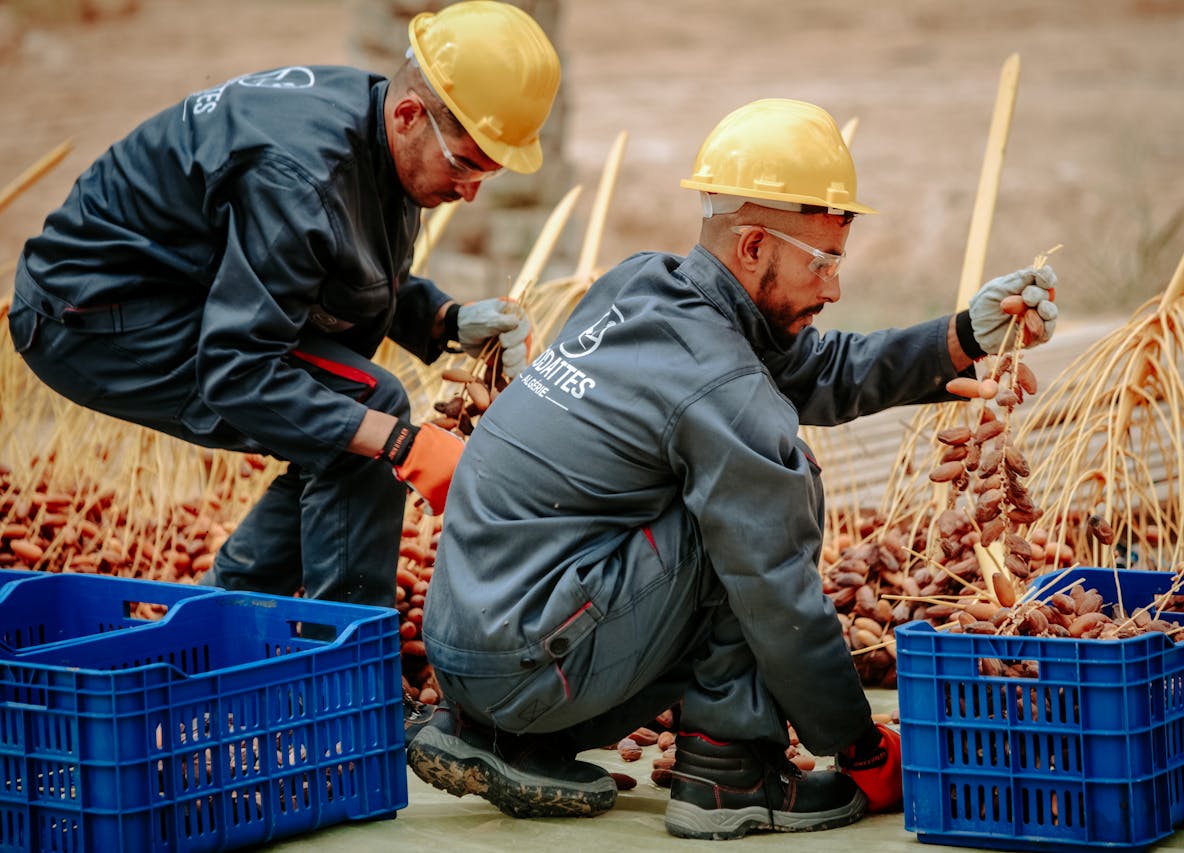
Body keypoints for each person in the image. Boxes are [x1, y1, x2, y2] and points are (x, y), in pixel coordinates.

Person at [405, 96, 1060, 838]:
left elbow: (813, 368)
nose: (835, 288)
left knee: (740, 493)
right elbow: (774, 582)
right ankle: (728, 776)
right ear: (752, 247)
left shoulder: (643, 285)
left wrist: (965, 335)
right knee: (766, 504)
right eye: (824, 263)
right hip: (527, 660)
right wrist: (858, 741)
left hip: (470, 645)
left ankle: (501, 734)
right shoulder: (717, 378)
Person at [7, 1, 560, 608]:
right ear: (409, 115)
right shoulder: (301, 180)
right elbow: (237, 371)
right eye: (466, 166)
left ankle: (220, 619)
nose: (472, 193)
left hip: (177, 291)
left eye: (491, 174)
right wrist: (402, 445)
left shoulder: (378, 129)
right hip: (92, 314)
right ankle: (341, 658)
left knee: (354, 415)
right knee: (365, 413)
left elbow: (347, 264)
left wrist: (446, 321)